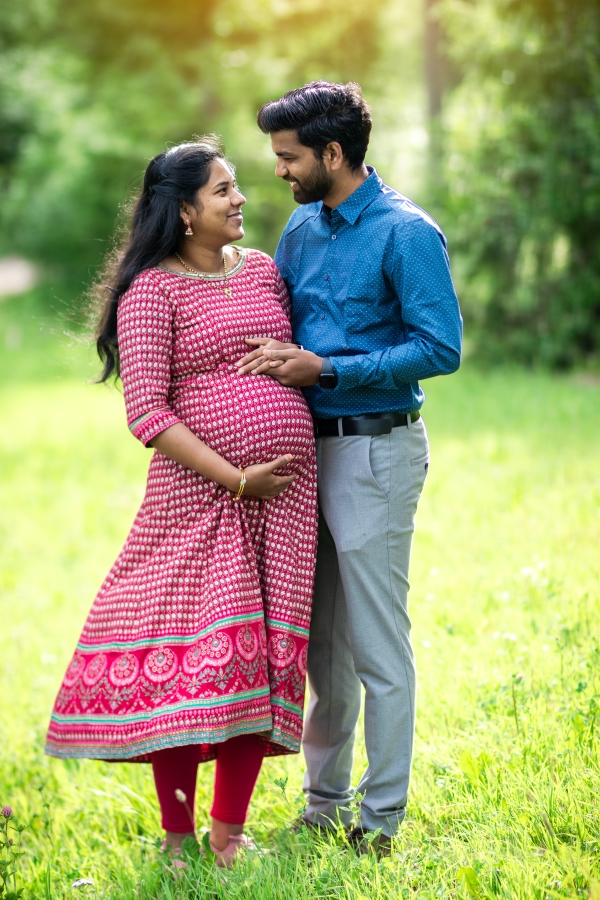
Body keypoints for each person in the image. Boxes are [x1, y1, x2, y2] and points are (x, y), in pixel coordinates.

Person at [45, 139, 318, 868]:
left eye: (237, 188)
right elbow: (147, 414)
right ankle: (176, 839)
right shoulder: (151, 294)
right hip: (200, 501)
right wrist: (236, 476)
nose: (240, 200)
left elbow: (285, 357)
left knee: (255, 666)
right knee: (194, 663)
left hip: (284, 504)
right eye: (223, 190)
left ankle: (229, 834)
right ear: (185, 211)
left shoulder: (262, 269)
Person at [237, 81, 462, 855]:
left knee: (374, 644)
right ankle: (323, 804)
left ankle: (381, 819)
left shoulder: (407, 233)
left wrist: (326, 370)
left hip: (375, 449)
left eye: (289, 156)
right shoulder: (301, 230)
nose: (279, 171)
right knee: (321, 641)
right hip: (305, 457)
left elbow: (441, 350)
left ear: (334, 153)